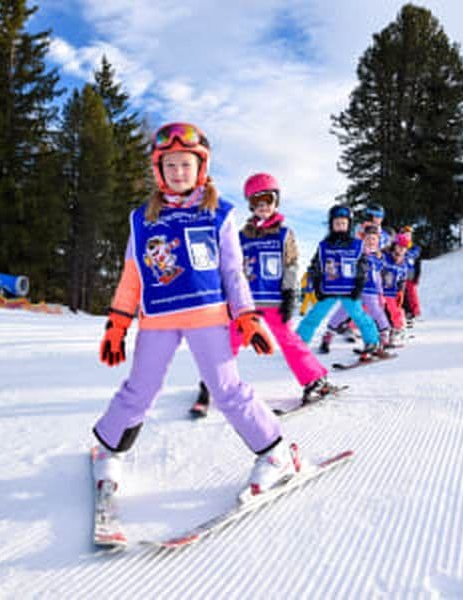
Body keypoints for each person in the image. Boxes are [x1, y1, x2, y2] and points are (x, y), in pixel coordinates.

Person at [92, 122, 298, 500]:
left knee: (226, 389)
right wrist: (117, 323)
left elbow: (232, 272)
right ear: (158, 170)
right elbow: (132, 275)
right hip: (158, 319)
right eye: (169, 165)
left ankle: (275, 454)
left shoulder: (218, 213)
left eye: (185, 164)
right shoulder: (142, 219)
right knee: (141, 388)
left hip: (208, 317)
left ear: (200, 167)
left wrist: (247, 316)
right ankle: (107, 449)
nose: (178, 172)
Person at [192, 172, 339, 414]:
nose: (263, 208)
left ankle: (314, 380)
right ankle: (210, 384)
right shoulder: (241, 236)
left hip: (274, 300)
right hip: (245, 303)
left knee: (289, 341)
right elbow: (231, 267)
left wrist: (291, 295)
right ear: (251, 206)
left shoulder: (285, 234)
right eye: (257, 203)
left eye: (268, 202)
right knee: (229, 342)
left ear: (275, 202)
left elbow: (291, 265)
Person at [296, 204, 382, 359]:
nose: (341, 227)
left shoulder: (357, 245)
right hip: (328, 289)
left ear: (349, 225)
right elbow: (315, 267)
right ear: (331, 225)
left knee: (359, 315)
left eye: (344, 223)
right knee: (314, 316)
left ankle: (372, 342)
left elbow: (362, 267)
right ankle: (299, 343)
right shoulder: (324, 245)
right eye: (337, 224)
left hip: (349, 290)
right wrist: (317, 287)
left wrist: (358, 286)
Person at [383, 233, 411, 346]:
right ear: (394, 246)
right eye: (399, 247)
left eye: (404, 248)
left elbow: (403, 279)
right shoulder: (385, 257)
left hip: (392, 292)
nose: (401, 250)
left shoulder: (404, 264)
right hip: (380, 290)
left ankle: (398, 329)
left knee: (395, 310)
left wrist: (401, 291)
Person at [399, 226, 422, 327]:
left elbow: (418, 263)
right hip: (401, 274)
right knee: (402, 294)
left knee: (412, 294)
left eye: (409, 235)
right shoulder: (398, 246)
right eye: (405, 235)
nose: (407, 237)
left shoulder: (414, 248)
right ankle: (405, 312)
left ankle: (415, 312)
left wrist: (417, 276)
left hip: (411, 274)